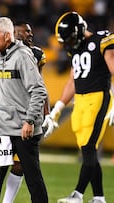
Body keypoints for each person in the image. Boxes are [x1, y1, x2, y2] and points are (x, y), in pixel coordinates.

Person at [43, 11, 114, 203]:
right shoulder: (75, 48)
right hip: (80, 102)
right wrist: (57, 109)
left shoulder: (101, 40)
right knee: (87, 149)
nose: (69, 43)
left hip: (98, 98)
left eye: (71, 38)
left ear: (81, 30)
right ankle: (99, 197)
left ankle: (78, 194)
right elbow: (72, 81)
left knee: (89, 148)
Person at [0, 17, 48, 203]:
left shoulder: (22, 55)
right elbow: (8, 87)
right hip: (3, 128)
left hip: (22, 130)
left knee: (33, 180)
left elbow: (38, 90)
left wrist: (30, 121)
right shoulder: (3, 53)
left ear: (6, 36)